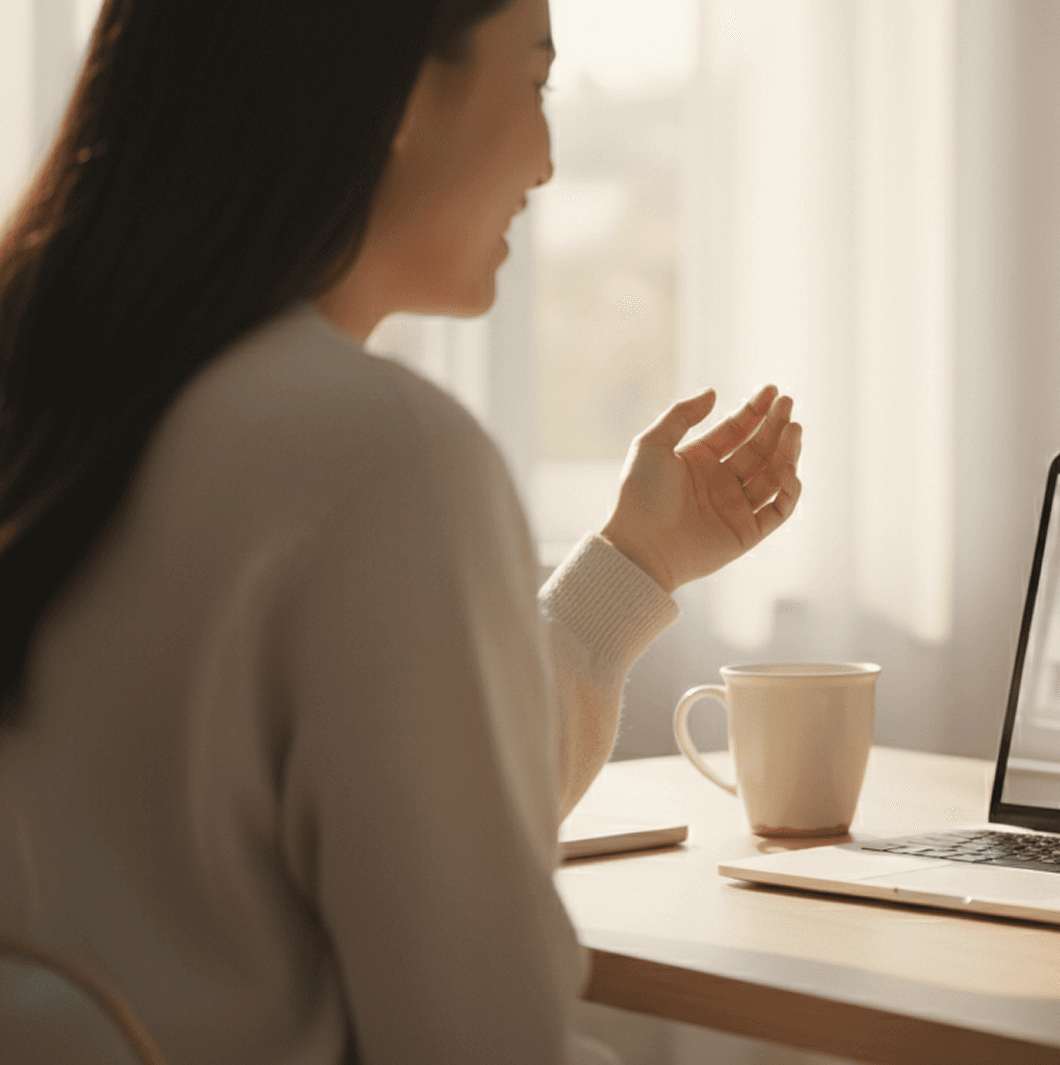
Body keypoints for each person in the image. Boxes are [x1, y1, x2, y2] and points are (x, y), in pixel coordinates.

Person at [0, 1, 798, 1061]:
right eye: (534, 84)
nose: (549, 163)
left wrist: (635, 567)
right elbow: (483, 1037)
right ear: (407, 96)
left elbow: (381, 804)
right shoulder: (376, 448)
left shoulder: (58, 398)